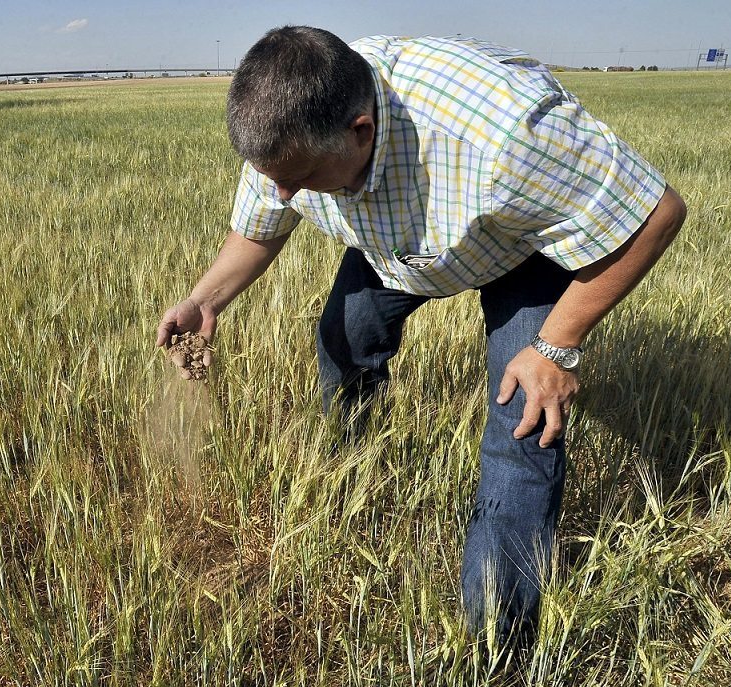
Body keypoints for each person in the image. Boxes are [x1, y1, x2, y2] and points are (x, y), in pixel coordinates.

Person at [154, 26, 686, 653]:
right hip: (393, 245)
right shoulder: (289, 136)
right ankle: (346, 466)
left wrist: (557, 346)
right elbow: (261, 224)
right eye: (274, 178)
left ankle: (498, 641)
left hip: (521, 247)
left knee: (523, 418)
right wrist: (204, 299)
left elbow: (656, 213)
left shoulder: (505, 136)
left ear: (361, 131)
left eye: (299, 179)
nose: (284, 195)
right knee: (342, 344)